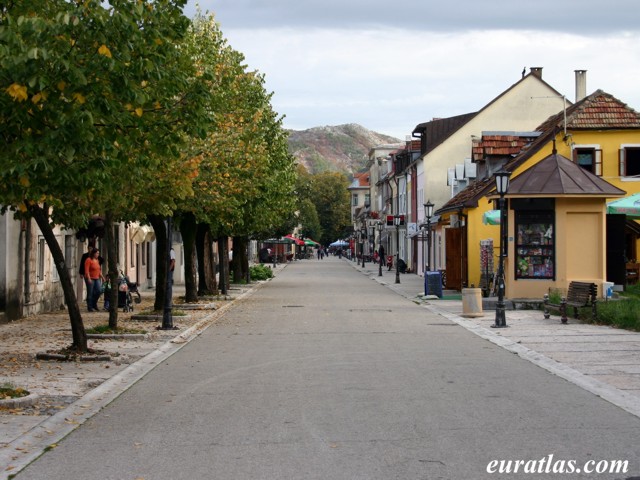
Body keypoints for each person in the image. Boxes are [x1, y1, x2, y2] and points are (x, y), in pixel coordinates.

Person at [84, 248, 104, 312]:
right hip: (91, 278)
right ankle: (89, 307)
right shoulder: (88, 260)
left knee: (99, 291)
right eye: (97, 253)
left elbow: (98, 270)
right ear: (93, 253)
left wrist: (102, 277)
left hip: (97, 278)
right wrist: (89, 278)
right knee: (90, 292)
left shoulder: (97, 260)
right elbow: (86, 270)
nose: (98, 254)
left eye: (98, 253)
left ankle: (94, 303)